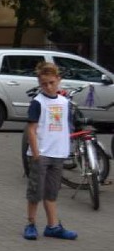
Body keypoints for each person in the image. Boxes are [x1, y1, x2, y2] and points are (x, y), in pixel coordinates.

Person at [23, 62, 78, 241]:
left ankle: (53, 226)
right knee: (35, 192)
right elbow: (31, 129)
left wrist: (66, 149)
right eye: (44, 83)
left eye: (52, 83)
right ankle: (30, 224)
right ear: (40, 83)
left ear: (58, 80)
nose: (48, 87)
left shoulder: (64, 102)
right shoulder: (38, 102)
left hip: (58, 153)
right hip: (42, 153)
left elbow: (66, 127)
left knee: (52, 192)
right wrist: (36, 154)